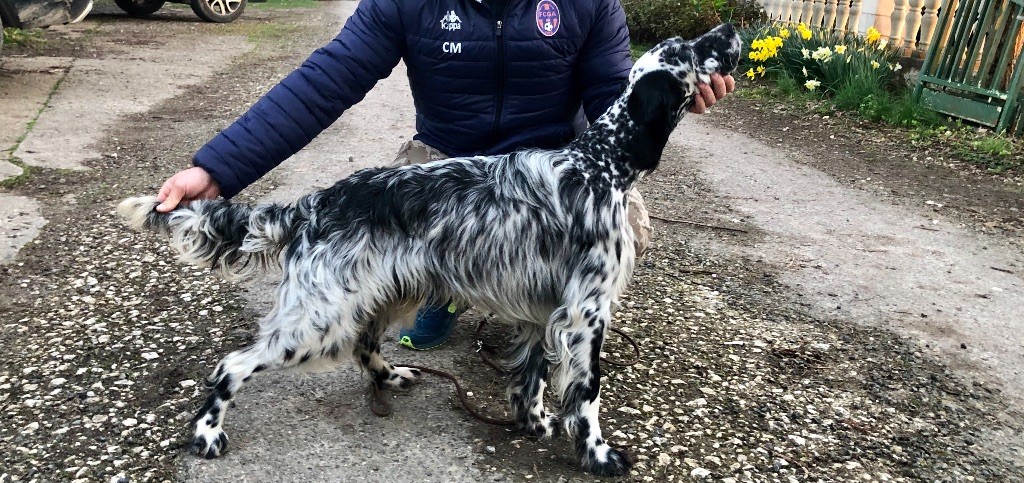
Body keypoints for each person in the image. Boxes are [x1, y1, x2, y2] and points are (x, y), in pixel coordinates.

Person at [155, 0, 735, 350]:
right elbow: (323, 83)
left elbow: (617, 102)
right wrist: (216, 169)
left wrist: (678, 98)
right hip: (446, 167)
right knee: (399, 213)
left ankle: (543, 312)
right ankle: (443, 284)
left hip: (544, 178)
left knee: (627, 223)